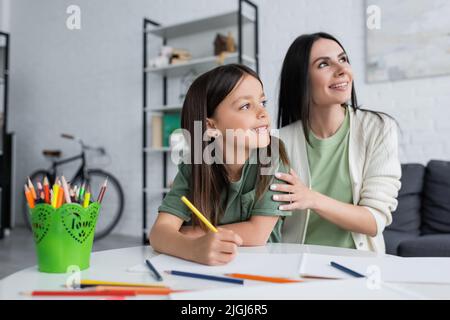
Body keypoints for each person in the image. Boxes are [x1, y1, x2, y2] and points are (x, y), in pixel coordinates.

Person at [271, 32, 401, 253]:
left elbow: (374, 221)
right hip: (295, 267)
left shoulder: (378, 128)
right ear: (301, 80)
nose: (342, 70)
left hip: (359, 268)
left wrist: (311, 199)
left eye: (343, 59)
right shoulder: (278, 142)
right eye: (324, 64)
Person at [149, 64, 291, 265]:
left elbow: (258, 233)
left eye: (263, 102)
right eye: (245, 106)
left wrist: (194, 232)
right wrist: (193, 249)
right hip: (205, 271)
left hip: (263, 266)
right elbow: (158, 233)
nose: (263, 113)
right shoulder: (194, 166)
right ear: (211, 125)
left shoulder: (273, 155)